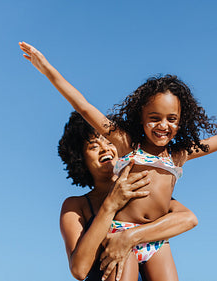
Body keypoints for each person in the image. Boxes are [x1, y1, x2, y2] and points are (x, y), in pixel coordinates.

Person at [20, 41, 217, 281]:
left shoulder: (179, 154)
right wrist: (47, 69)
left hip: (154, 238)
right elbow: (83, 106)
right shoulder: (127, 144)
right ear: (140, 120)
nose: (162, 126)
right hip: (122, 234)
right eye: (154, 119)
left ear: (181, 123)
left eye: (171, 120)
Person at [58, 112, 198, 281]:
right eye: (93, 146)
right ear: (80, 159)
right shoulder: (76, 205)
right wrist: (111, 204)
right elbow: (79, 270)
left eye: (109, 142)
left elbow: (187, 218)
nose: (105, 148)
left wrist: (129, 237)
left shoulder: (140, 188)